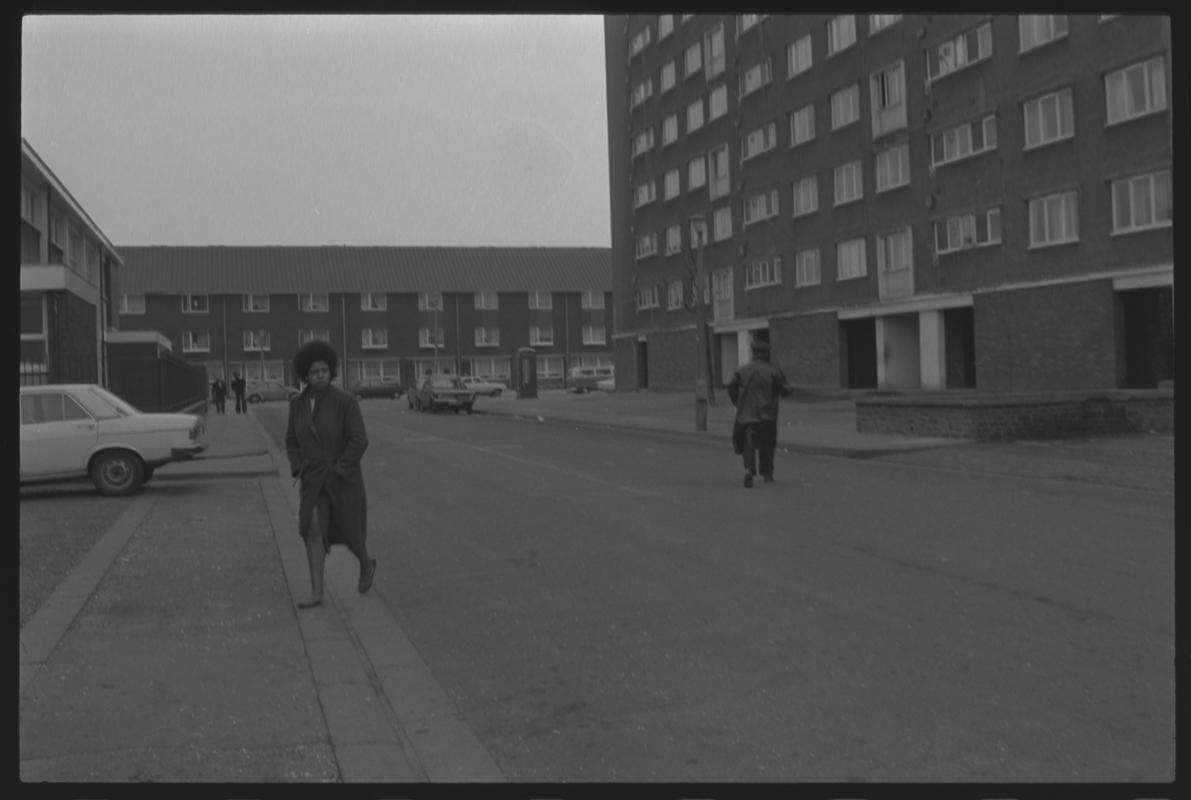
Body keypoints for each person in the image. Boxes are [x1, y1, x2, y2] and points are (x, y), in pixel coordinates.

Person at [285, 341, 375, 609]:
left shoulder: (345, 401)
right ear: (305, 375)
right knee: (312, 528)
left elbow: (359, 440)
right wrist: (297, 464)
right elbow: (291, 440)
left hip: (343, 480)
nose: (320, 375)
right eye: (314, 371)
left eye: (324, 370)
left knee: (352, 533)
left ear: (331, 371)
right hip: (313, 480)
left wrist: (339, 470)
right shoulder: (297, 405)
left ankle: (366, 563)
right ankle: (316, 591)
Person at [726, 340, 794, 488]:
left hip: (746, 414)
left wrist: (738, 402)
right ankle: (767, 473)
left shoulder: (741, 371)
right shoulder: (773, 371)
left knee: (747, 441)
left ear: (753, 353)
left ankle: (749, 469)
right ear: (767, 354)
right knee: (767, 443)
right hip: (768, 414)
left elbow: (731, 388)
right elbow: (786, 390)